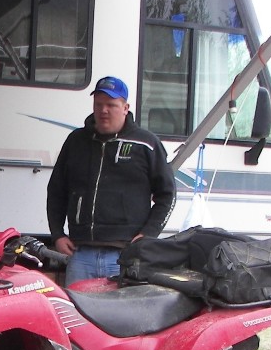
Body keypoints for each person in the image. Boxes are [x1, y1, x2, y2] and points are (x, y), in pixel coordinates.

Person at [47, 76, 176, 286]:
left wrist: (148, 234)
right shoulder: (76, 141)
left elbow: (167, 195)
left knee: (122, 319)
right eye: (98, 104)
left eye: (111, 105)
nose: (103, 110)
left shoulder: (146, 143)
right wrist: (57, 234)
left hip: (124, 256)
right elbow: (56, 190)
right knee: (77, 317)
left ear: (125, 107)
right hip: (81, 255)